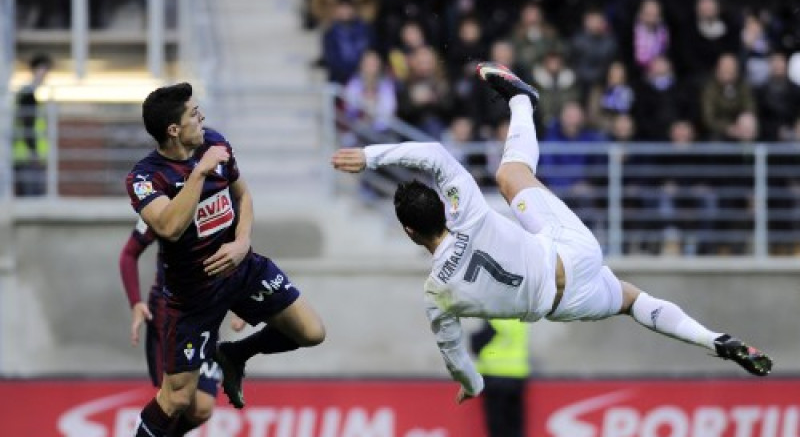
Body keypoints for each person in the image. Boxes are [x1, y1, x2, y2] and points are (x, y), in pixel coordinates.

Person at [331, 62, 772, 403]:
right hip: (569, 254)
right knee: (510, 173)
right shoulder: (466, 213)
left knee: (631, 301)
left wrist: (473, 383)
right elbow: (432, 154)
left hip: (565, 304)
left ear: (409, 232)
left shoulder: (436, 294)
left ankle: (711, 339)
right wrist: (370, 156)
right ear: (443, 209)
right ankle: (522, 101)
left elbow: (454, 355)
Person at [126, 82, 325, 436]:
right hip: (192, 298)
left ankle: (235, 354)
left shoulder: (215, 142)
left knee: (311, 332)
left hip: (242, 269)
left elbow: (244, 195)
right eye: (193, 113)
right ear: (174, 130)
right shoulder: (145, 178)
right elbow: (169, 227)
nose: (201, 117)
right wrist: (199, 172)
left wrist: (243, 242)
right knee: (178, 400)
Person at [118, 218, 246, 434]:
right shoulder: (162, 207)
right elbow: (129, 254)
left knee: (202, 408)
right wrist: (136, 302)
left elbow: (236, 258)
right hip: (168, 317)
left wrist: (243, 301)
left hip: (205, 316)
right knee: (176, 399)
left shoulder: (222, 203)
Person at [470, 319, 529, 437]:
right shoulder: (520, 316)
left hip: (495, 375)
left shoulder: (495, 317)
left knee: (498, 425)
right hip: (517, 375)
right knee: (515, 424)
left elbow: (477, 344)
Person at [13, 53, 52, 196]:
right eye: (44, 70)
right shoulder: (28, 96)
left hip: (25, 155)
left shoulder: (26, 94)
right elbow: (27, 125)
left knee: (29, 195)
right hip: (28, 156)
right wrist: (34, 153)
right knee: (32, 196)